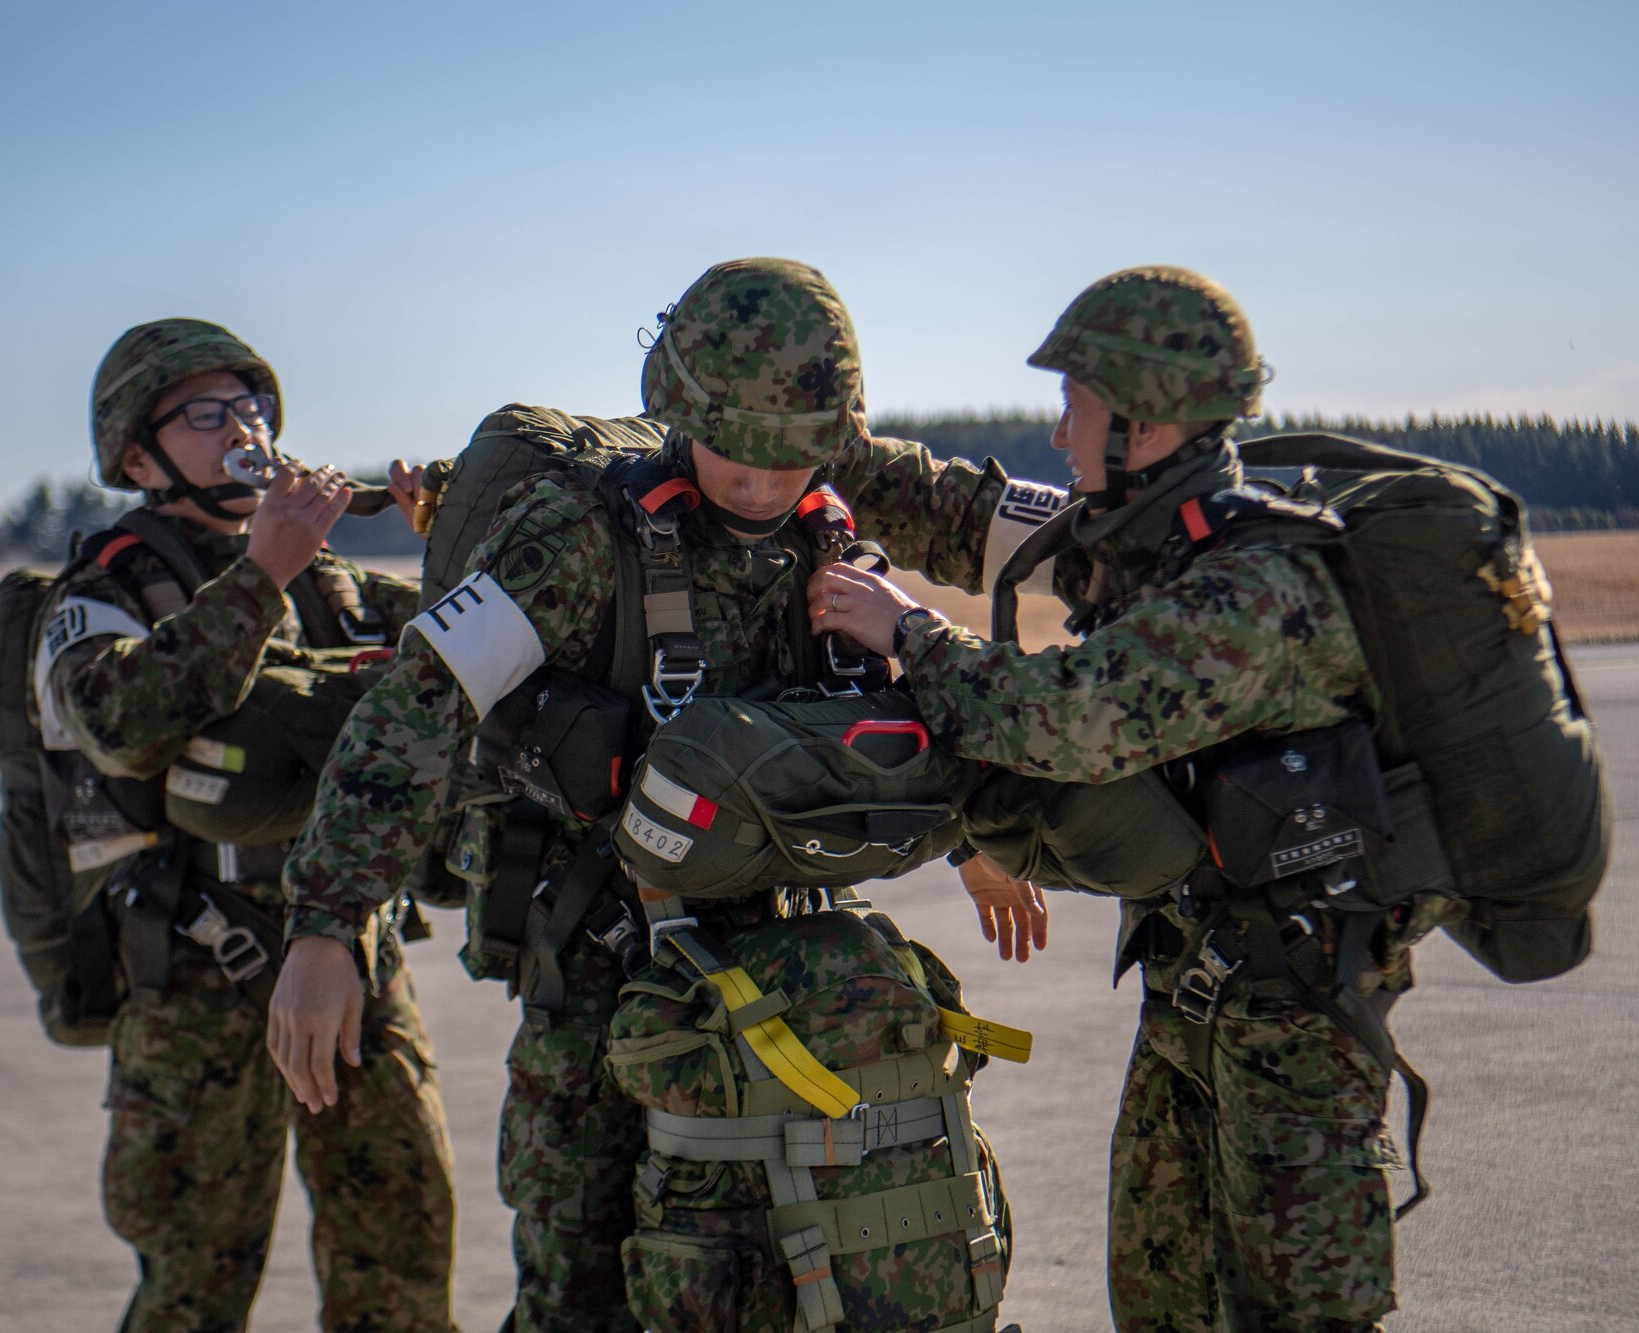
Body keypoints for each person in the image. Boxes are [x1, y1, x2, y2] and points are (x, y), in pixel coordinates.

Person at [270, 257, 1068, 1332]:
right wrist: (327, 924)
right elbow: (417, 708)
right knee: (580, 1287)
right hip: (601, 969)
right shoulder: (574, 535)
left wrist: (973, 826)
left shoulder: (828, 491)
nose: (757, 486)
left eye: (790, 460)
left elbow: (1013, 528)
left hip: (785, 954)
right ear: (681, 411)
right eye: (734, 454)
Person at [809, 266, 1464, 1332]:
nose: (1059, 424)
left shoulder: (1249, 590)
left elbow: (1065, 721)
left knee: (1295, 1316)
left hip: (1294, 1028)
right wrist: (796, 442)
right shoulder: (1152, 542)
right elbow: (968, 513)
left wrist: (907, 633)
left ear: (1145, 421)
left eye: (1078, 400)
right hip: (1196, 999)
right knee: (1161, 1306)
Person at [41, 318, 456, 1332]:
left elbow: (468, 651)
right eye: (208, 414)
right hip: (195, 974)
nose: (245, 428)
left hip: (352, 955)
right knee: (195, 1284)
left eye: (254, 406)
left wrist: (446, 538)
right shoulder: (109, 583)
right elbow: (118, 723)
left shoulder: (328, 576)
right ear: (138, 454)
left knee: (398, 1253)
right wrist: (257, 575)